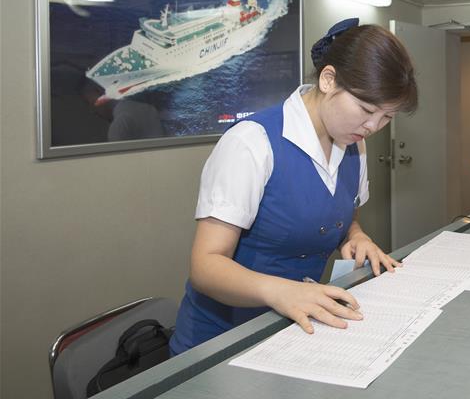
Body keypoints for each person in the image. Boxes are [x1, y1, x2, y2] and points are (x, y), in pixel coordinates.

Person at [169, 18, 418, 355]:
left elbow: (343, 217)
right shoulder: (252, 143)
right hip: (221, 342)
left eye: (387, 117)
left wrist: (356, 237)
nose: (373, 126)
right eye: (366, 109)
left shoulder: (354, 143)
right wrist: (280, 291)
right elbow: (206, 266)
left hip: (292, 334)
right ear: (328, 80)